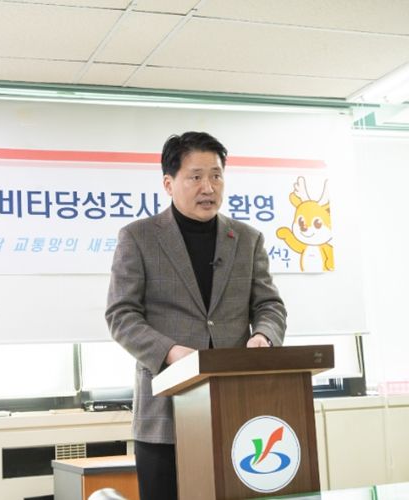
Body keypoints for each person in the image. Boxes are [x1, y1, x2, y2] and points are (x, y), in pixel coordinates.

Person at [105, 131, 286, 500]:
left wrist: (264, 336)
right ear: (168, 183)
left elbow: (269, 305)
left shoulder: (247, 239)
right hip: (164, 413)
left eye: (216, 175)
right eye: (196, 176)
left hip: (237, 408)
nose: (209, 187)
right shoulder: (138, 237)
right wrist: (172, 353)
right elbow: (121, 314)